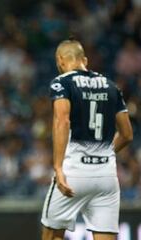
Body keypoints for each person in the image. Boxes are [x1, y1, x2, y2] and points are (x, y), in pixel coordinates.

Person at [41, 39, 133, 240]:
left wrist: (57, 167)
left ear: (60, 60)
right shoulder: (111, 86)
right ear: (85, 60)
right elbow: (127, 134)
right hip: (106, 176)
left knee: (52, 234)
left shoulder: (62, 82)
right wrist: (106, 154)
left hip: (73, 172)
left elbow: (62, 120)